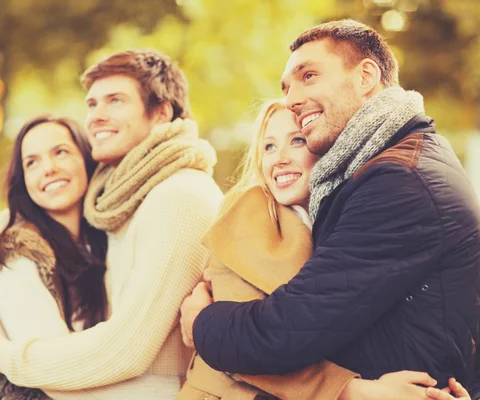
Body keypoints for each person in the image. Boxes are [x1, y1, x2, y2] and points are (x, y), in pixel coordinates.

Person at [180, 19, 480, 400]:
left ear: (366, 76)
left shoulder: (397, 180)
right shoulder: (388, 166)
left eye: (309, 76)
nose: (292, 98)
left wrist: (201, 320)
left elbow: (286, 332)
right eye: (287, 87)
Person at [0, 49, 223, 399]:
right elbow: (25, 211)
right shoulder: (123, 194)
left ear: (161, 113)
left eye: (115, 100)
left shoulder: (178, 198)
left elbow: (126, 350)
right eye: (92, 104)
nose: (97, 116)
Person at [0, 115, 108, 400]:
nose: (49, 169)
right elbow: (59, 374)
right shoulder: (18, 264)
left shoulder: (100, 242)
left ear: (87, 159)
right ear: (24, 182)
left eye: (61, 152)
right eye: (32, 162)